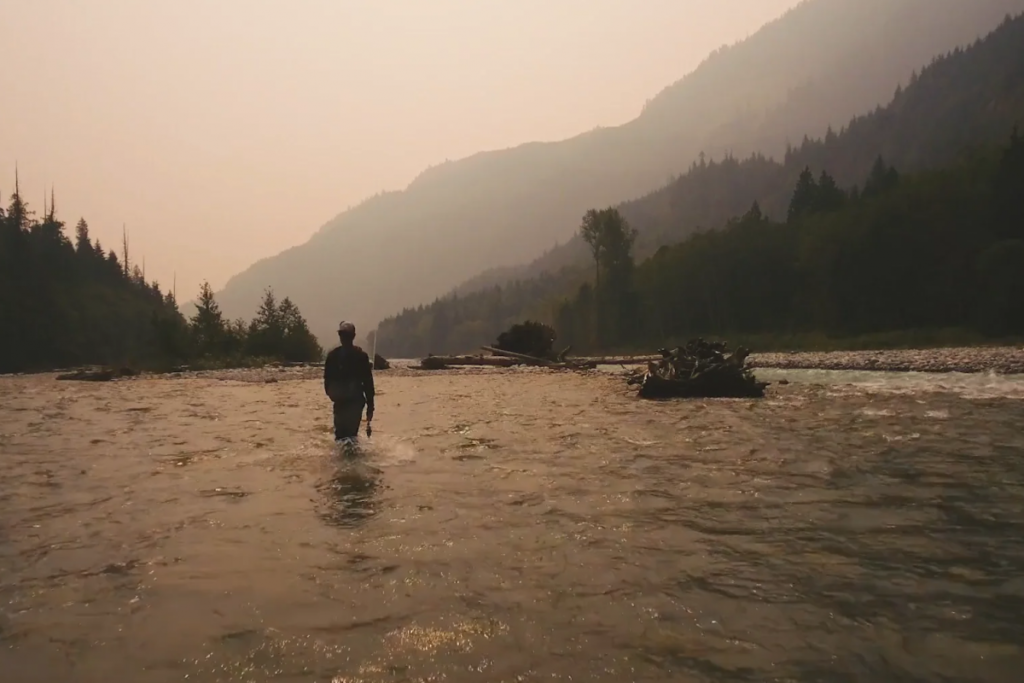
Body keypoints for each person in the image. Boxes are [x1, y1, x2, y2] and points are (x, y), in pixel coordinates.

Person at [323, 321, 375, 442]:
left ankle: (343, 458)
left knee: (341, 436)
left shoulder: (333, 356)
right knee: (350, 436)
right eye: (343, 335)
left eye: (345, 335)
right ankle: (351, 458)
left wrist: (370, 406)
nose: (344, 338)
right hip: (351, 402)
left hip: (344, 402)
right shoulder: (361, 356)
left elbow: (327, 382)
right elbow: (368, 384)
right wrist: (370, 406)